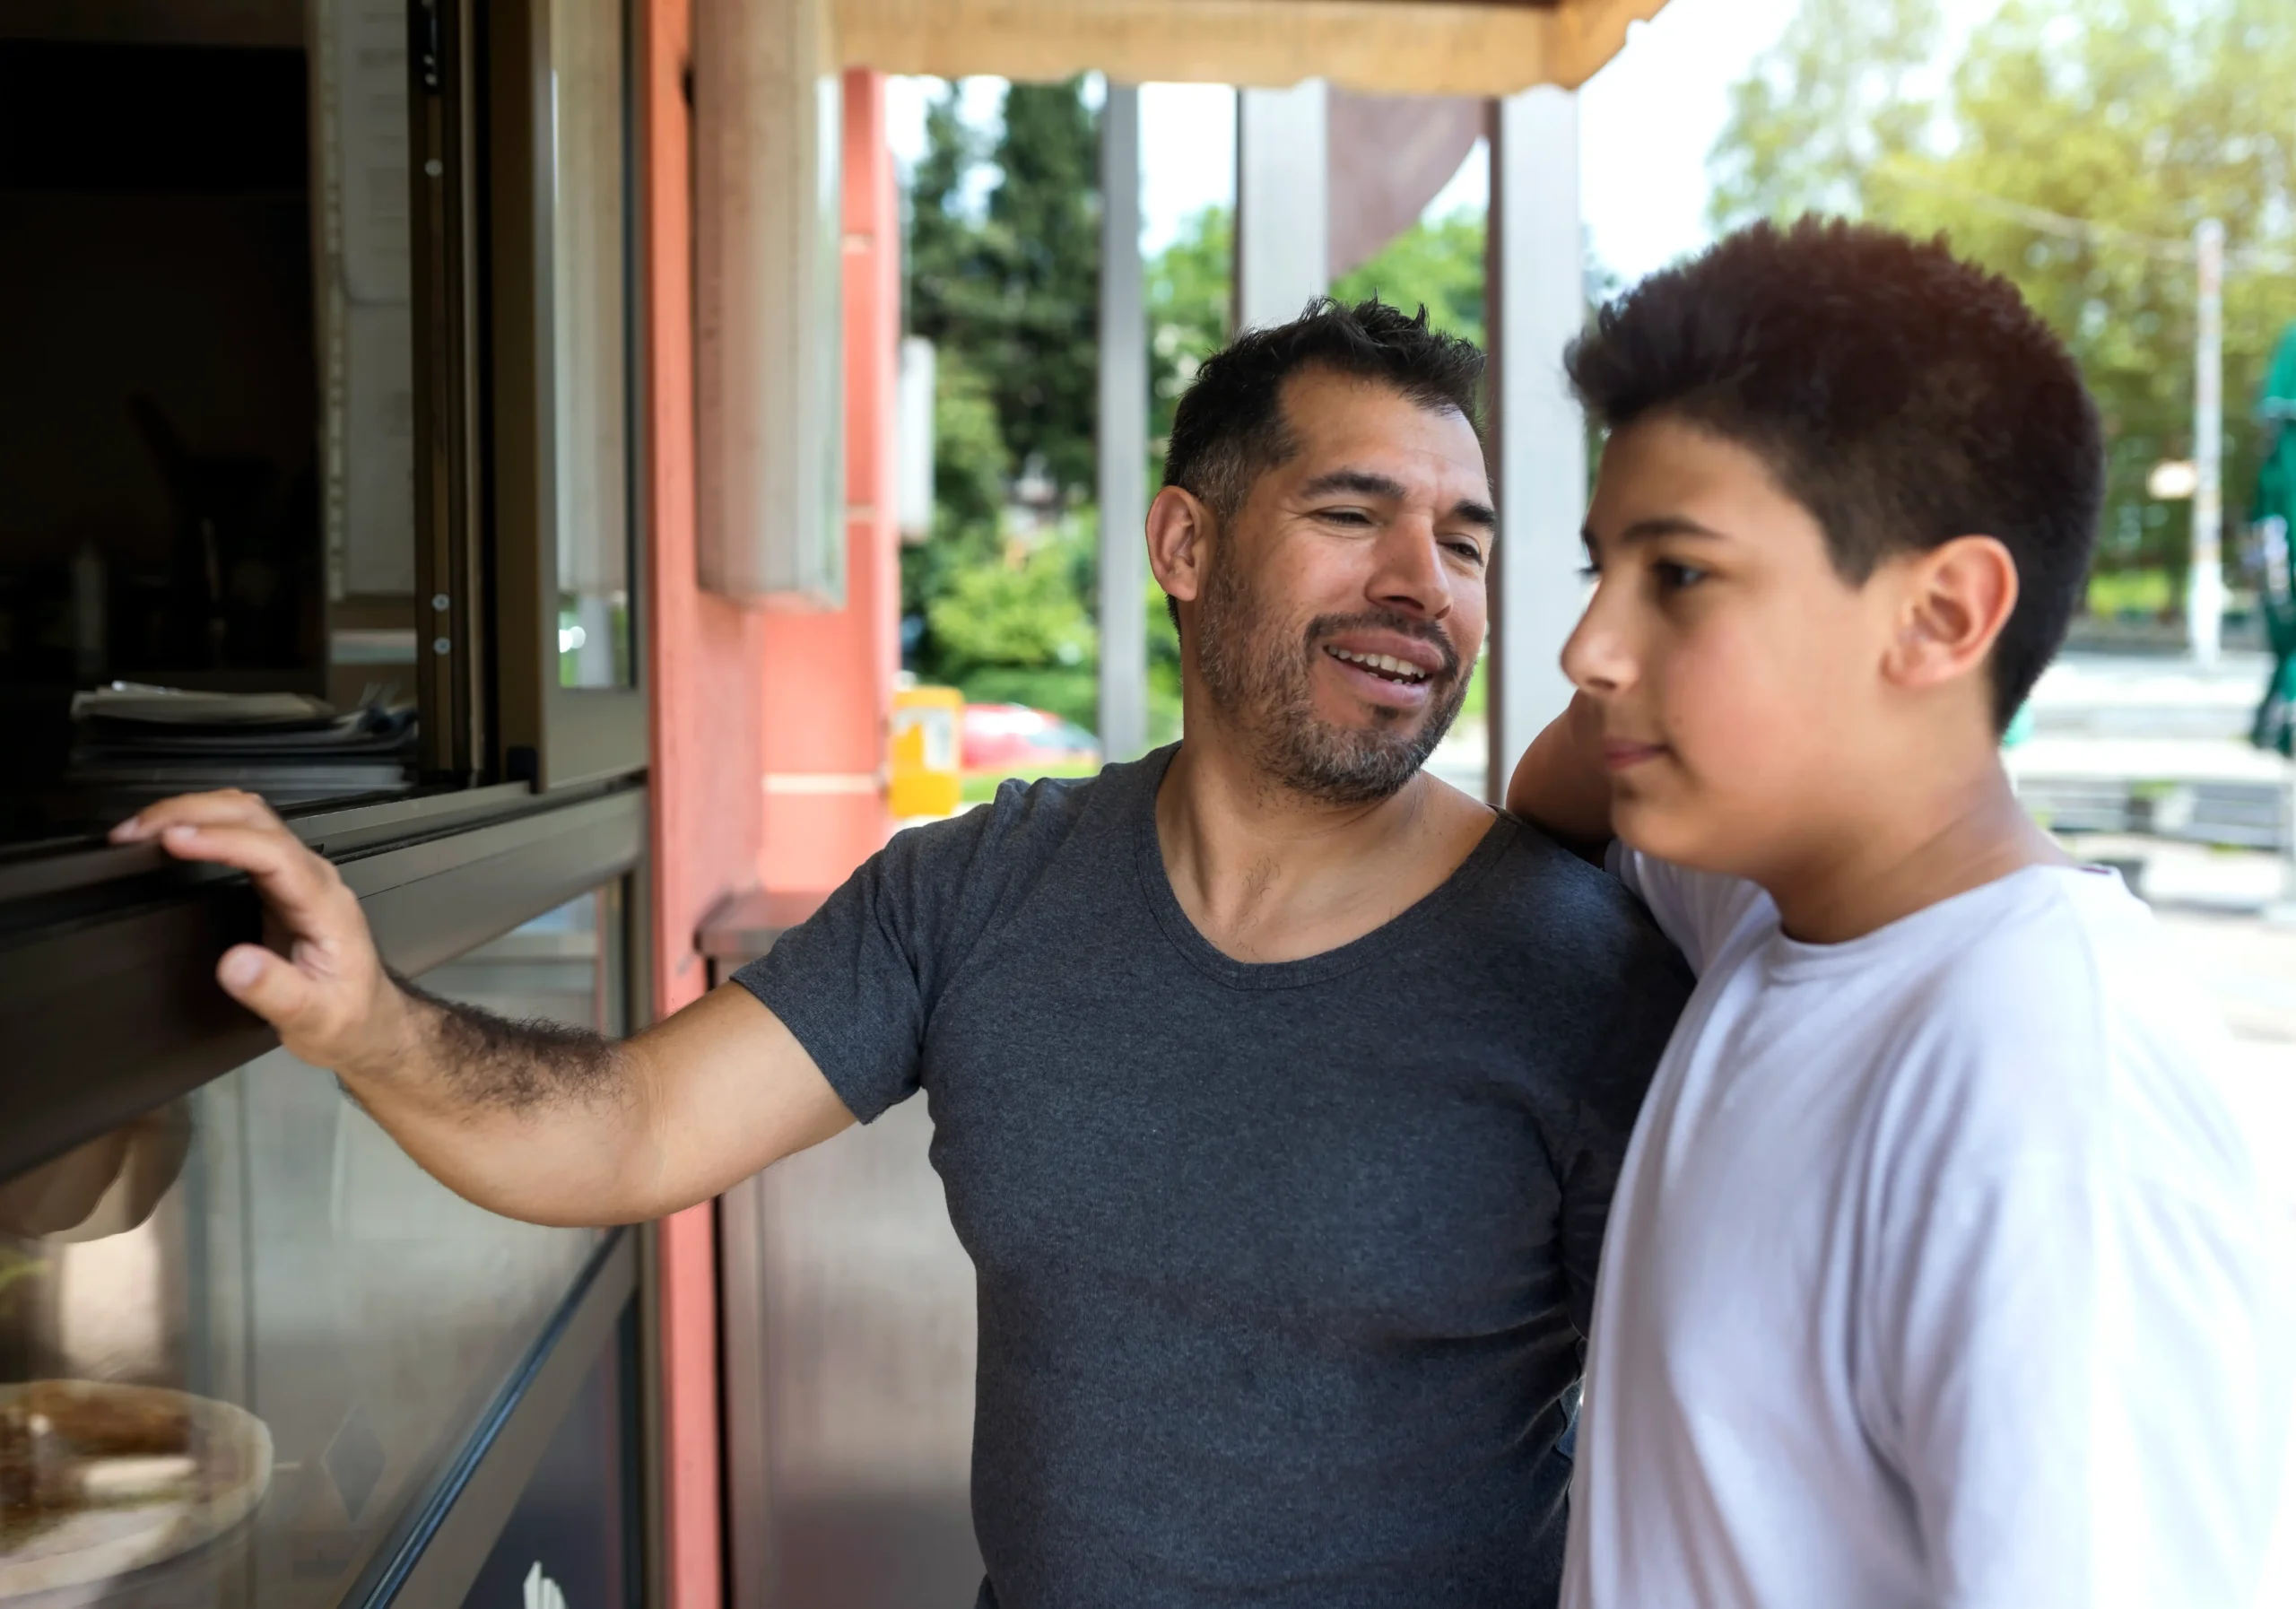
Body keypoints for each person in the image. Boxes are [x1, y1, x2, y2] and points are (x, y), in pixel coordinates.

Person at [116, 299, 1690, 1609]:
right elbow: (635, 1126)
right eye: (1355, 514)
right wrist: (369, 1017)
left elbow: (1709, 1470)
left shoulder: (1580, 974)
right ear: (1187, 544)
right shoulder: (984, 890)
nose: (1423, 584)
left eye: (1468, 543)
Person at [1507, 219, 2293, 1608]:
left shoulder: (2044, 1084)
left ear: (1941, 617)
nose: (1589, 649)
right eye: (1600, 569)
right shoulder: (1774, 902)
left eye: (1680, 574)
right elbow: (1548, 789)